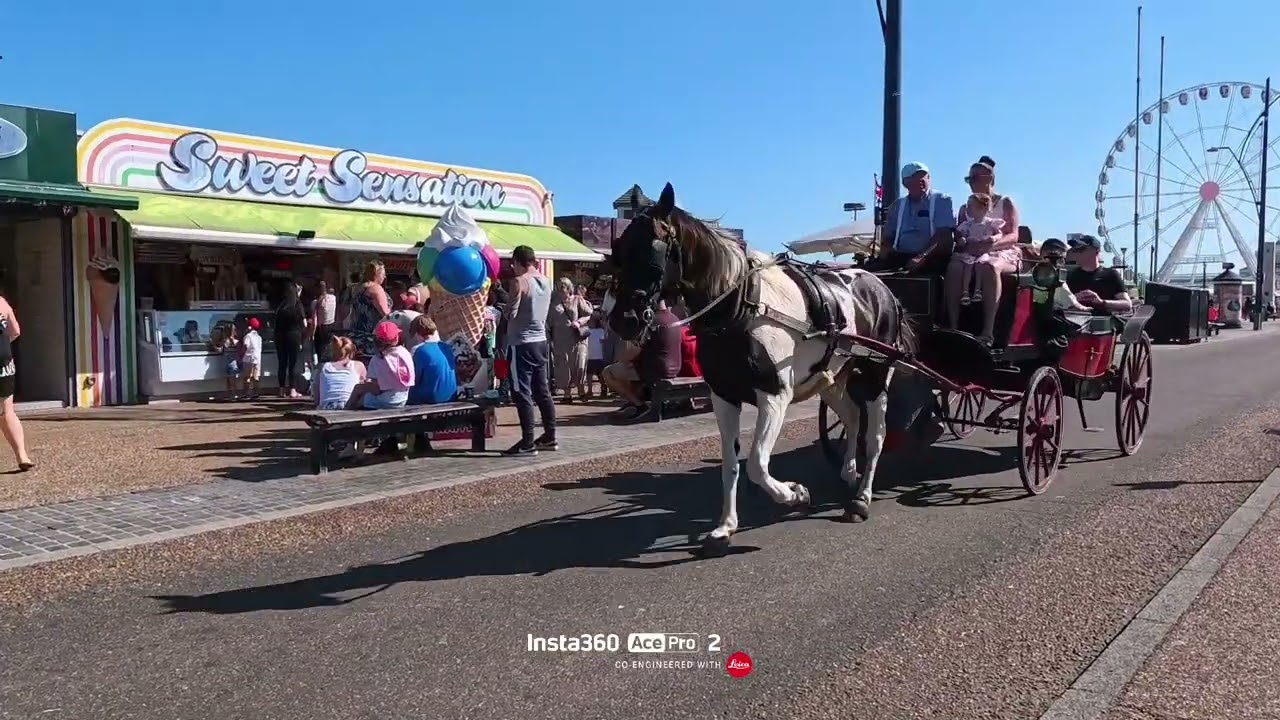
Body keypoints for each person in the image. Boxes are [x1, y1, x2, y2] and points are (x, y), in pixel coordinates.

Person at [957, 156, 1024, 345]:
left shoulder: (1005, 202)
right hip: (973, 252)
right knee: (954, 267)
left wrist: (989, 246)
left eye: (976, 178)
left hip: (1002, 251)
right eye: (969, 179)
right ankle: (953, 325)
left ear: (990, 178)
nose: (972, 183)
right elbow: (960, 234)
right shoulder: (965, 208)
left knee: (990, 265)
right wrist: (964, 243)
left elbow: (1013, 235)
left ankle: (988, 331)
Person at [504, 245, 557, 455]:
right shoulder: (546, 281)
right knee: (542, 391)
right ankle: (550, 436)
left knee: (521, 392)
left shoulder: (520, 281)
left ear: (518, 262)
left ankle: (527, 442)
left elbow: (511, 312)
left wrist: (505, 309)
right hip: (541, 341)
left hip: (521, 342)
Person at [601, 296, 683, 423]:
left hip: (654, 369)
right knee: (630, 370)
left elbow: (633, 352)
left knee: (609, 372)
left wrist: (621, 360)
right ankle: (633, 402)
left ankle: (640, 405)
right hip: (675, 368)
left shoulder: (651, 321)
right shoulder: (675, 318)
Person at [867, 161, 957, 273]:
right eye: (915, 177)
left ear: (929, 178)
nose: (921, 180)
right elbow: (888, 237)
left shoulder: (941, 200)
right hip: (901, 256)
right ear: (905, 183)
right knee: (867, 274)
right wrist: (886, 252)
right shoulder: (897, 205)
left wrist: (921, 257)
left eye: (923, 176)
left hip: (932, 257)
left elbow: (944, 236)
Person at [946, 193, 1006, 330]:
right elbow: (958, 233)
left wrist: (993, 239)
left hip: (984, 251)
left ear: (983, 208)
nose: (968, 209)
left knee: (981, 264)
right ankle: (965, 292)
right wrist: (960, 239)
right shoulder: (967, 224)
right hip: (969, 251)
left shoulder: (990, 222)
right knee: (966, 266)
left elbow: (999, 233)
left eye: (971, 206)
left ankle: (978, 290)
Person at [348, 321, 414, 410]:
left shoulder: (377, 359)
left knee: (359, 391)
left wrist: (366, 386)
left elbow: (377, 390)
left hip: (385, 402)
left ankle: (345, 413)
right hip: (402, 400)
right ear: (396, 338)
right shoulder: (405, 353)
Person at [0, 292, 33, 471]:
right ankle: (22, 455)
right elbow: (15, 332)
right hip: (4, 365)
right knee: (7, 412)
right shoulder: (2, 302)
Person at [549, 277, 593, 402]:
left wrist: (579, 322)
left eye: (562, 287)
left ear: (569, 289)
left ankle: (581, 391)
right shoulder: (554, 303)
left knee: (579, 365)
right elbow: (549, 321)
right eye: (558, 288)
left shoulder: (577, 299)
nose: (560, 290)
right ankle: (567, 394)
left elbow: (589, 314)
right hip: (560, 340)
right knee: (563, 366)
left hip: (576, 338)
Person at [1065, 235, 1133, 313]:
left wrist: (1101, 302)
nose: (1077, 253)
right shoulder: (1070, 276)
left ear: (1096, 251)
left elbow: (1127, 304)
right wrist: (1074, 299)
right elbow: (1059, 304)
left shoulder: (1110, 275)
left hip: (1102, 322)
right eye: (1076, 250)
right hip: (1075, 321)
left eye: (1082, 249)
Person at [407, 315, 458, 406]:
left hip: (427, 400)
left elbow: (412, 379)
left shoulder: (418, 350)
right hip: (451, 397)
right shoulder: (446, 347)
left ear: (417, 334)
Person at [348, 261, 392, 359]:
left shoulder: (357, 288)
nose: (384, 277)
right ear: (377, 274)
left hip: (356, 332)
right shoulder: (376, 289)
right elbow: (385, 314)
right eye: (383, 274)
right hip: (371, 335)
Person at [313, 336, 367, 410]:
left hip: (326, 407)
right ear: (351, 352)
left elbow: (316, 398)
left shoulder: (323, 367)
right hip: (349, 406)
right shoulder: (358, 365)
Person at [274, 282, 307, 398]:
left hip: (280, 336)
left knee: (282, 363)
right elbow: (305, 323)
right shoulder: (297, 305)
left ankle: (281, 389)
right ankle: (292, 390)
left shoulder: (281, 306)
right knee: (292, 364)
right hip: (294, 336)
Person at [311, 280, 338, 362]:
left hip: (321, 328)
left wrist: (312, 334)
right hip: (332, 325)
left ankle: (321, 367)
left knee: (320, 350)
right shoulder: (334, 298)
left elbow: (314, 319)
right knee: (330, 348)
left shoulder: (315, 302)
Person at [585, 311, 608, 398]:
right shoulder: (596, 331)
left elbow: (604, 340)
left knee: (598, 375)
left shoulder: (594, 331)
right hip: (593, 356)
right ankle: (591, 390)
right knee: (591, 374)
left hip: (597, 356)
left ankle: (602, 387)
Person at [240, 317, 263, 398]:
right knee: (256, 376)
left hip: (248, 358)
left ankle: (246, 393)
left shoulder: (248, 336)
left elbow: (245, 346)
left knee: (247, 376)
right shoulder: (259, 337)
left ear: (250, 326)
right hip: (257, 359)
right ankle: (256, 392)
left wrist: (241, 355)